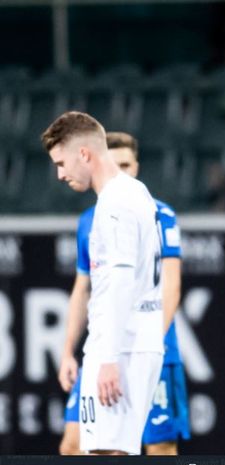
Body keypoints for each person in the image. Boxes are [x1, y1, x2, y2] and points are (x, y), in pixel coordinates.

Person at [57, 131, 190, 455]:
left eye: (127, 164)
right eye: (115, 165)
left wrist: (151, 339)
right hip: (104, 349)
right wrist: (67, 351)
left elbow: (170, 285)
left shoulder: (159, 214)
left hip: (146, 344)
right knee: (75, 446)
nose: (122, 172)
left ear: (137, 166)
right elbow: (81, 288)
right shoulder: (90, 220)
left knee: (158, 445)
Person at [43, 112, 165, 455]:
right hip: (135, 340)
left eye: (61, 162)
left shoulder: (115, 204)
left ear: (84, 154)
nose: (60, 174)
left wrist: (108, 357)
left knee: (104, 453)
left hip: (120, 346)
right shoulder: (135, 192)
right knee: (114, 451)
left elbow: (122, 281)